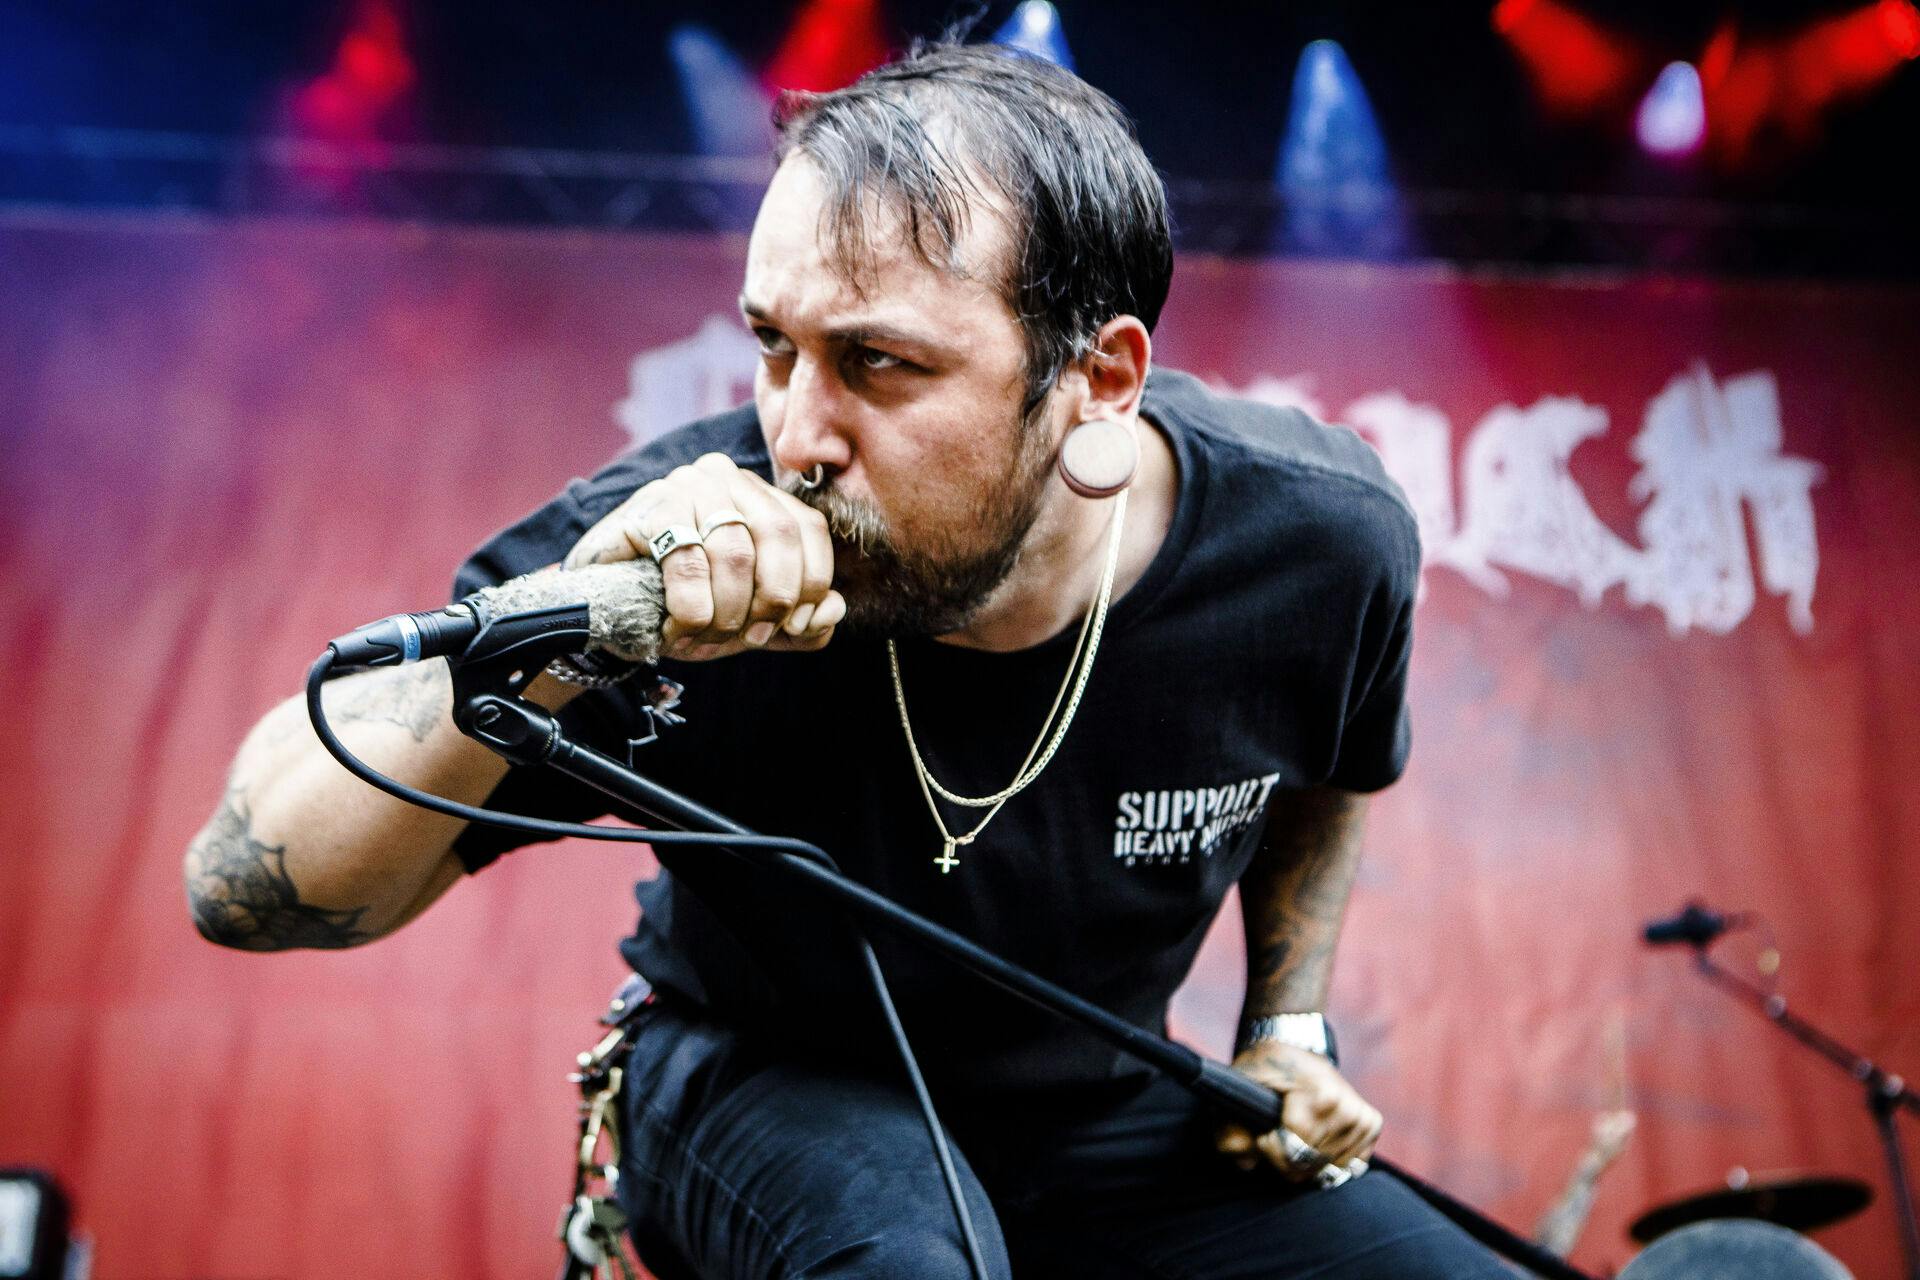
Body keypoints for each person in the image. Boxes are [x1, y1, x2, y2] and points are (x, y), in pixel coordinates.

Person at [184, 41, 1508, 1279]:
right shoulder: (673, 541)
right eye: (775, 346)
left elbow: (1333, 766)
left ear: (1100, 379)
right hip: (762, 1072)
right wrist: (567, 625)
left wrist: (1285, 1028)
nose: (800, 435)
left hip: (1097, 1097)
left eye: (877, 363)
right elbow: (244, 887)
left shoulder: (1317, 543)